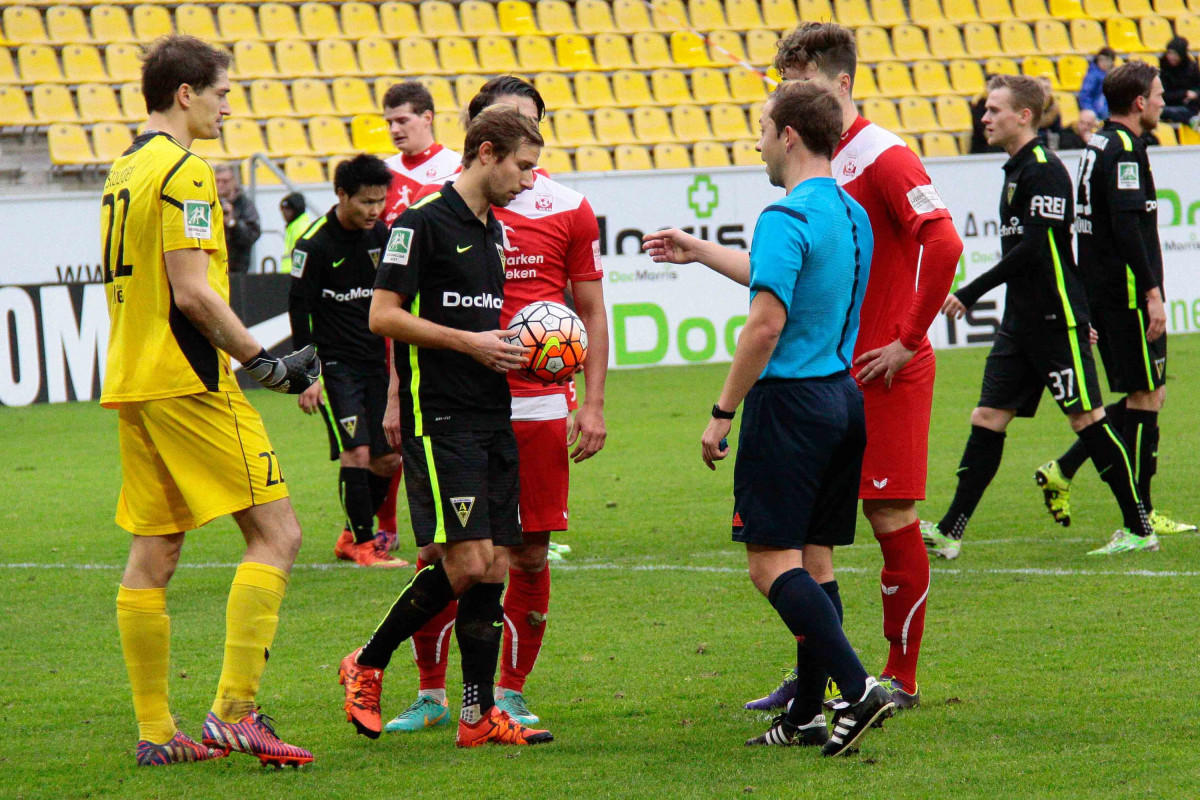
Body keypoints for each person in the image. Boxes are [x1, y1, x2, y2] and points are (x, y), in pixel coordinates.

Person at [646, 21, 963, 713]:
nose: (788, 96)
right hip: (839, 375)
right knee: (812, 548)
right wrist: (700, 250)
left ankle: (895, 677)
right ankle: (816, 687)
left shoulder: (882, 156)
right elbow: (781, 277)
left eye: (799, 83)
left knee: (884, 516)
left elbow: (943, 243)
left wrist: (908, 338)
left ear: (839, 84)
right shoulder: (832, 182)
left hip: (873, 368)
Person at [102, 34, 317, 768]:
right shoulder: (185, 170)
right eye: (222, 93)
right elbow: (192, 292)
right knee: (278, 534)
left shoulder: (125, 168)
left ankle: (157, 732)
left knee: (156, 549)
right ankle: (234, 712)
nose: (228, 107)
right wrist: (264, 362)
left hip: (134, 381)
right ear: (186, 93)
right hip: (189, 380)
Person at [383, 76, 609, 734]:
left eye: (528, 123)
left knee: (524, 554)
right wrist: (395, 396)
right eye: (504, 123)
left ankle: (503, 695)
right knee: (445, 554)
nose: (520, 142)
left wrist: (592, 402)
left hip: (536, 407)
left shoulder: (569, 207)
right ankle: (430, 691)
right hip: (451, 401)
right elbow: (395, 312)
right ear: (483, 139)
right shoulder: (436, 210)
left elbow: (592, 310)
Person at [338, 105, 555, 748]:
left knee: (495, 566)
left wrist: (519, 350)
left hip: (492, 413)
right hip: (441, 419)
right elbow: (382, 316)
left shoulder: (494, 232)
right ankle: (367, 661)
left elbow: (479, 326)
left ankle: (477, 716)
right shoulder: (420, 223)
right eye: (523, 167)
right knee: (466, 563)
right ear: (487, 153)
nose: (529, 180)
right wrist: (468, 345)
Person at [700, 79, 892, 755]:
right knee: (816, 562)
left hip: (789, 406)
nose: (757, 143)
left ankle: (859, 689)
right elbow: (790, 278)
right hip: (842, 399)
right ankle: (808, 713)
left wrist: (723, 412)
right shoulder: (851, 213)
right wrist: (699, 250)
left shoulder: (784, 217)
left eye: (761, 129)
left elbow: (765, 324)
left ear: (787, 135)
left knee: (769, 565)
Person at [919, 75, 1158, 560]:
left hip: (1053, 318)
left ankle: (1139, 527)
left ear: (1023, 115)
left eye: (994, 110)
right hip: (1020, 322)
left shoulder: (1045, 170)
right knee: (987, 417)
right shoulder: (1016, 170)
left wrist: (971, 291)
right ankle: (949, 531)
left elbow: (1037, 249)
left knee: (1087, 419)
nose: (984, 118)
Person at [1035, 62, 1195, 543]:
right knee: (1146, 396)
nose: (1163, 102)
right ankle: (1139, 517)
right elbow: (1126, 227)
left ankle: (1066, 470)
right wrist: (1152, 292)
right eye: (1159, 94)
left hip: (1107, 291)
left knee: (1147, 393)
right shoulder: (1124, 149)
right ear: (1140, 102)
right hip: (1126, 294)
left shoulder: (1099, 144)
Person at [287, 154, 408, 568]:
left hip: (375, 363)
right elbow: (299, 313)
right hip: (335, 367)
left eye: (381, 201)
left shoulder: (382, 235)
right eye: (366, 202)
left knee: (388, 458)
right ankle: (364, 544)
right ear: (341, 195)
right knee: (356, 452)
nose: (375, 210)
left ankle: (350, 536)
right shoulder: (314, 245)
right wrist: (308, 375)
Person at [372, 81, 465, 549]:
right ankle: (381, 526)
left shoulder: (457, 169)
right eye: (389, 121)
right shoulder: (381, 175)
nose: (394, 129)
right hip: (389, 313)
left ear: (428, 117)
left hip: (444, 312)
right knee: (388, 431)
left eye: (403, 119)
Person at [213, 163, 261, 273]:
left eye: (225, 181)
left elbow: (252, 234)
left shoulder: (244, 205)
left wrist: (232, 223)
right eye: (217, 181)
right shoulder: (209, 203)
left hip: (237, 269)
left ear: (234, 182)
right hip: (213, 267)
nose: (220, 185)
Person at [1159, 37, 1200, 126]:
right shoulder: (1164, 68)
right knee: (1164, 111)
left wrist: (1194, 94)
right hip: (1169, 105)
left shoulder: (1191, 68)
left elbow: (1197, 87)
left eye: (1174, 54)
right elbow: (1164, 94)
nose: (1171, 57)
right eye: (1169, 53)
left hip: (1189, 106)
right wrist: (1184, 94)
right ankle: (1191, 119)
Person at [279, 192, 313, 274]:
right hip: (290, 274)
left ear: (296, 209)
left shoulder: (301, 227)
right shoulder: (293, 227)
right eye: (283, 209)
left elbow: (302, 254)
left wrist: (296, 274)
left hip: (295, 276)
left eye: (288, 209)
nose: (284, 213)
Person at [1079, 47, 1116, 120]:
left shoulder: (1115, 74)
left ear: (1112, 61)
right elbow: (1085, 95)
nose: (1103, 63)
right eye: (1101, 60)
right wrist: (1091, 113)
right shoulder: (1093, 75)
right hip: (1096, 113)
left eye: (1107, 60)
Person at [1036, 75, 1063, 149]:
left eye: (1047, 89)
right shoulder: (1029, 110)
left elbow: (1058, 132)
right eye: (1041, 88)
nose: (1044, 92)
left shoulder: (1054, 110)